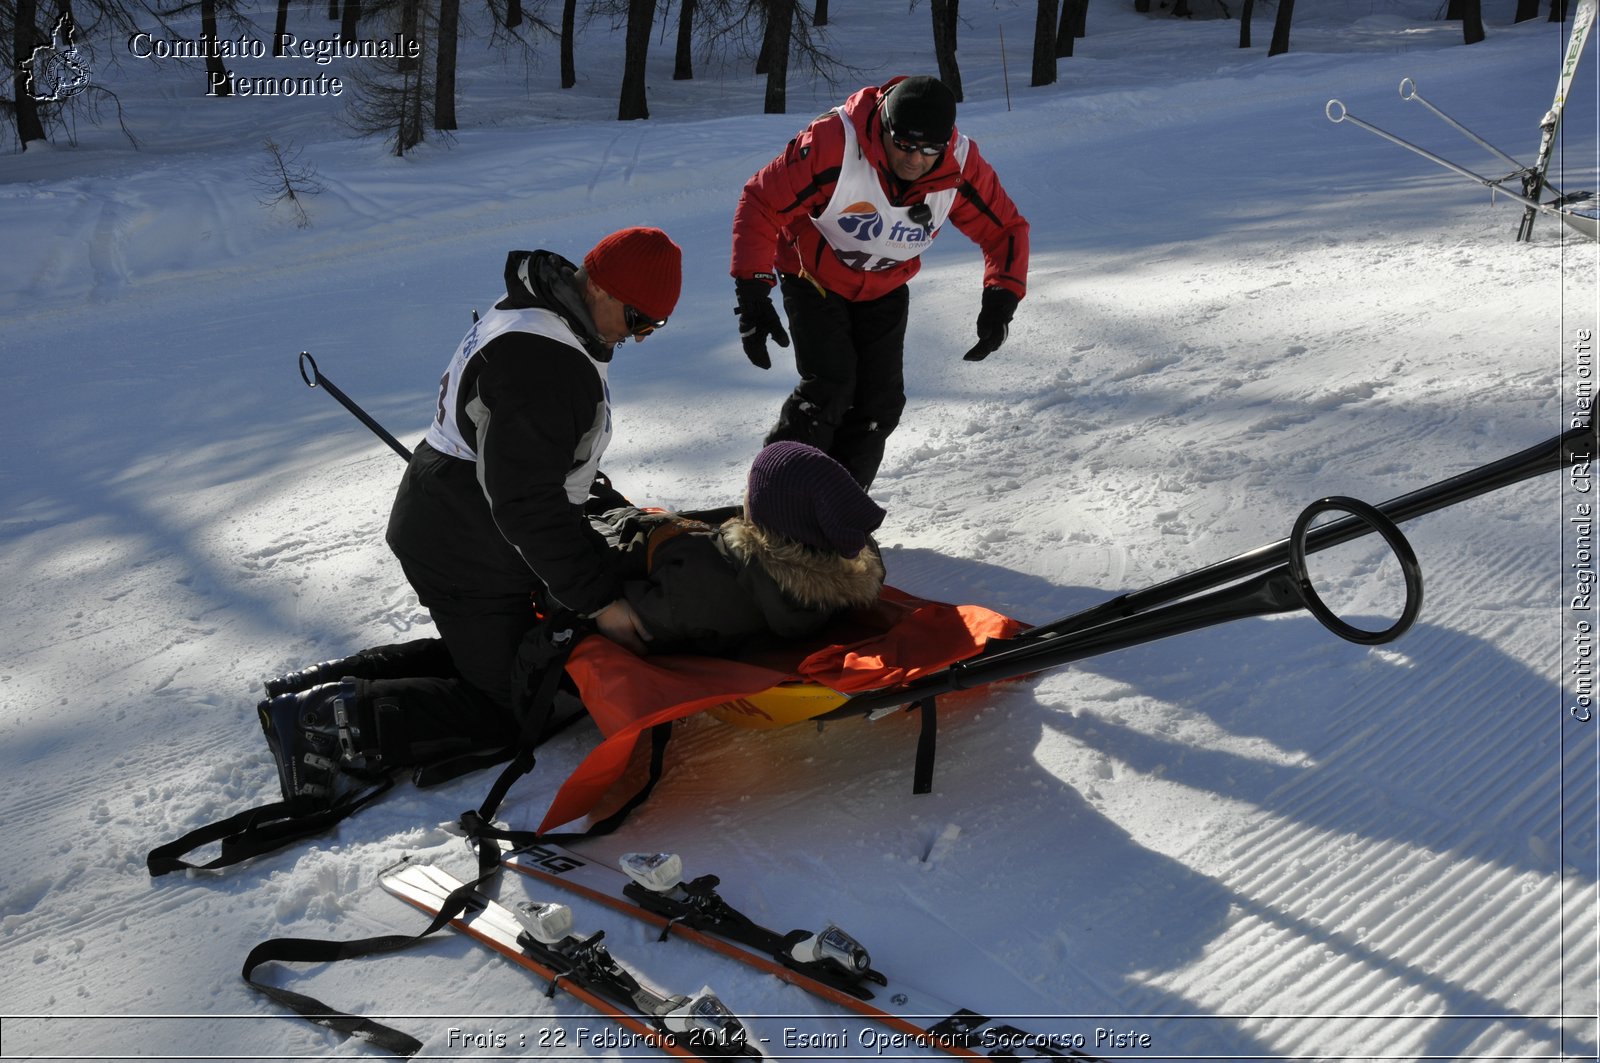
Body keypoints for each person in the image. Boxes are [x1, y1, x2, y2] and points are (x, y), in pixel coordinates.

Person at [257, 226, 683, 806]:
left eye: (655, 328)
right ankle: (326, 721)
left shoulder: (543, 315)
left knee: (513, 659)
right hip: (466, 544)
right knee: (510, 706)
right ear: (601, 287)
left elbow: (536, 457)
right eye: (638, 320)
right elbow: (524, 498)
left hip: (459, 518)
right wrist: (601, 601)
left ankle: (314, 686)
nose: (638, 338)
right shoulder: (549, 363)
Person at [730, 74, 1030, 489]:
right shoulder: (834, 144)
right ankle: (775, 500)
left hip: (886, 284)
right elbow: (761, 201)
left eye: (929, 150)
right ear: (884, 126)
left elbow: (1005, 230)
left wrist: (1001, 298)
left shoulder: (960, 165)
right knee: (830, 388)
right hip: (813, 275)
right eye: (904, 144)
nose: (914, 160)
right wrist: (752, 291)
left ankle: (837, 507)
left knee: (879, 406)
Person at [593, 440, 888, 657]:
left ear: (765, 516)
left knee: (597, 510)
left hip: (639, 546)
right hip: (680, 548)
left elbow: (618, 597)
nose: (745, 496)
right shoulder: (847, 561)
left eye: (751, 490)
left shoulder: (698, 585)